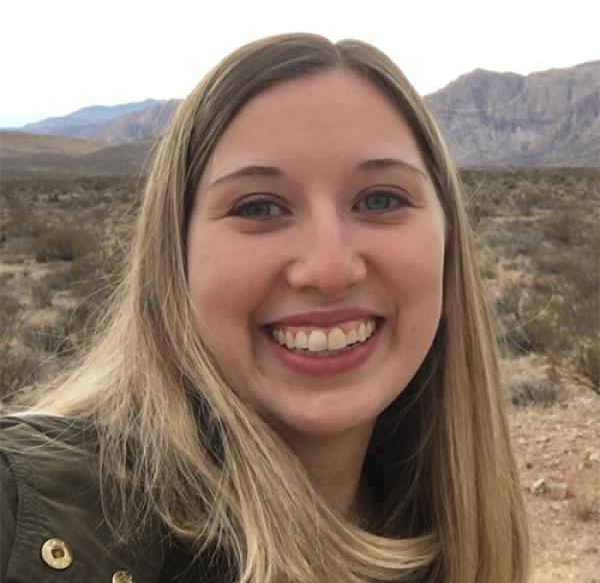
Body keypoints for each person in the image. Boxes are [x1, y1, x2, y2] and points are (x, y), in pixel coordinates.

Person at [0, 33, 530, 583]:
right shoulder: (35, 516)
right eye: (258, 207)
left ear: (448, 241)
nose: (328, 270)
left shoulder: (438, 531)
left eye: (380, 200)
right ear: (175, 255)